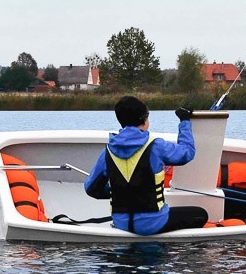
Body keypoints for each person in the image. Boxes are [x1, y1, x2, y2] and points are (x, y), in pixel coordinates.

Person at [84, 96, 209, 235]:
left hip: (121, 223)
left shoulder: (107, 151)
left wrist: (120, 192)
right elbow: (187, 153)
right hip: (154, 223)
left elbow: (91, 189)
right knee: (200, 214)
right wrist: (184, 121)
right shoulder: (156, 146)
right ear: (144, 120)